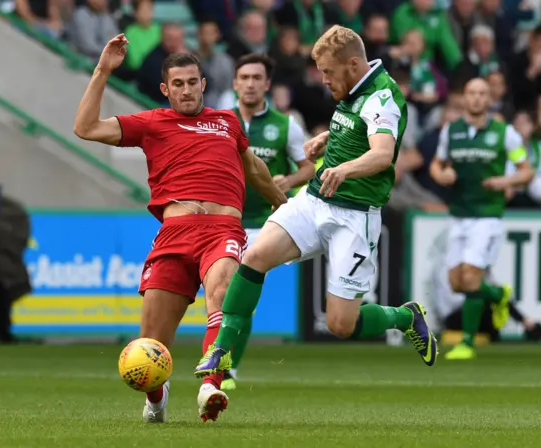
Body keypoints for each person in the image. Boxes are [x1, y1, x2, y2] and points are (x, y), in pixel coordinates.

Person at [196, 25, 439, 379]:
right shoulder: (356, 87)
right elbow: (359, 127)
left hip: (354, 217)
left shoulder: (382, 97)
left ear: (353, 64)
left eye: (327, 71)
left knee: (342, 324)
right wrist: (329, 136)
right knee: (254, 257)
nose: (323, 79)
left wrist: (344, 170)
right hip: (314, 201)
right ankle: (223, 350)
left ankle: (406, 316)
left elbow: (383, 154)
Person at [73, 34, 287, 423]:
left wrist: (281, 202)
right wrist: (104, 69)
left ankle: (211, 387)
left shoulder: (227, 122)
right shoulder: (152, 123)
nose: (186, 90)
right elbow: (85, 127)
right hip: (174, 235)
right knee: (150, 343)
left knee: (222, 291)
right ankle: (156, 397)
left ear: (203, 84)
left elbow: (253, 168)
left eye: (193, 82)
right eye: (178, 84)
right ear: (164, 89)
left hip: (222, 229)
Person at [221, 53, 314, 391]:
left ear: (267, 84)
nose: (249, 83)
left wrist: (289, 182)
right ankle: (222, 362)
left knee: (240, 294)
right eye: (243, 77)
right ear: (234, 83)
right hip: (220, 220)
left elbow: (308, 167)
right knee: (223, 294)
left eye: (256, 77)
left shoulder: (285, 124)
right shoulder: (219, 121)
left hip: (262, 222)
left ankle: (228, 367)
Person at [429, 77, 534, 361]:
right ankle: (498, 295)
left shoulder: (505, 133)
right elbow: (437, 165)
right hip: (459, 214)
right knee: (455, 283)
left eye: (482, 94)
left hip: (488, 216)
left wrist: (505, 181)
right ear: (464, 97)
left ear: (489, 100)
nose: (476, 98)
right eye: (471, 92)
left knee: (471, 279)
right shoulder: (452, 131)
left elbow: (526, 171)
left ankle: (468, 342)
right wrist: (443, 175)